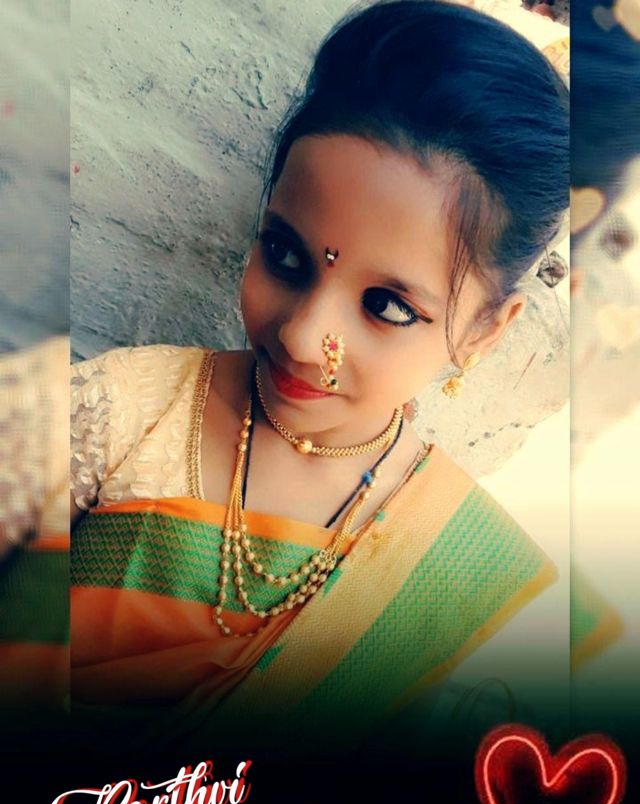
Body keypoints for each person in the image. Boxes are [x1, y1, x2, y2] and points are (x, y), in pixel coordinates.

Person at [69, 0, 570, 756]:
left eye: (388, 307)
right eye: (284, 255)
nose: (304, 338)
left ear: (483, 332)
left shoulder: (456, 574)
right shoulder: (121, 411)